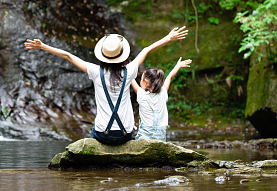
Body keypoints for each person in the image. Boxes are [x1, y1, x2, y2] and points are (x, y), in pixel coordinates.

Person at [24, 26, 188, 145]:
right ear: (122, 55)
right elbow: (147, 49)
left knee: (95, 130)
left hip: (103, 135)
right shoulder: (129, 71)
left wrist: (43, 46)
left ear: (102, 55)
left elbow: (68, 56)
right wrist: (168, 38)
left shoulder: (95, 71)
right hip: (125, 135)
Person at [131, 57, 192, 142]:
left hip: (144, 138)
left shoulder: (141, 94)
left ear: (145, 81)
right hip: (160, 138)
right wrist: (178, 66)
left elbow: (130, 78)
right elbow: (169, 77)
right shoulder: (163, 93)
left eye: (141, 78)